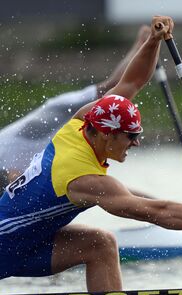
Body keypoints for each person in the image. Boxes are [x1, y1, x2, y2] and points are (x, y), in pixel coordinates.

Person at [0, 16, 182, 292]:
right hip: (6, 249)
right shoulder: (85, 179)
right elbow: (159, 212)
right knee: (100, 241)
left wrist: (153, 41)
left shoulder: (82, 121)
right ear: (108, 134)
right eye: (131, 137)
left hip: (31, 243)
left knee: (100, 244)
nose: (135, 143)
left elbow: (131, 83)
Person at [0, 25, 151, 189]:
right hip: (52, 143)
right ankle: (144, 43)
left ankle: (142, 43)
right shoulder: (17, 172)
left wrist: (151, 44)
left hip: (48, 120)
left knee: (111, 93)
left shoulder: (10, 167)